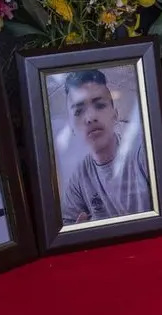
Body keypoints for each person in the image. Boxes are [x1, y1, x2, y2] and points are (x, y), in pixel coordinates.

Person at [60, 69, 152, 224]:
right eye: (79, 111)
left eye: (99, 105)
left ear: (115, 115)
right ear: (71, 128)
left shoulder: (144, 154)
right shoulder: (78, 179)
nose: (90, 118)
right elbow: (66, 226)